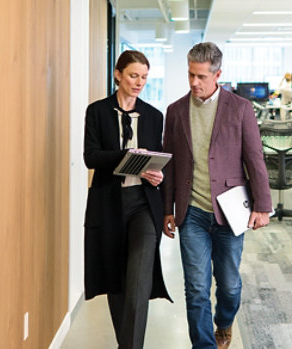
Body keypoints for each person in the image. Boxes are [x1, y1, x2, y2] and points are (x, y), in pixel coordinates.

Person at [162, 42, 272, 349]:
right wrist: (167, 209)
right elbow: (169, 163)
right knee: (196, 288)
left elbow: (254, 158)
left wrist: (263, 206)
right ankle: (205, 345)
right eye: (190, 75)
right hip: (192, 213)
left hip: (230, 211)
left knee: (229, 284)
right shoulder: (175, 111)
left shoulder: (239, 108)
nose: (194, 82)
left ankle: (224, 322)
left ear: (218, 74)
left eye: (200, 77)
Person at [83, 50, 171, 349]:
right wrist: (130, 158)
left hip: (143, 204)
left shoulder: (154, 115)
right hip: (108, 204)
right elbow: (91, 157)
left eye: (144, 77)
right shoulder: (97, 112)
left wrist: (156, 174)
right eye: (134, 75)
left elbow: (157, 159)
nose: (139, 82)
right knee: (115, 279)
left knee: (138, 277)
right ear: (118, 74)